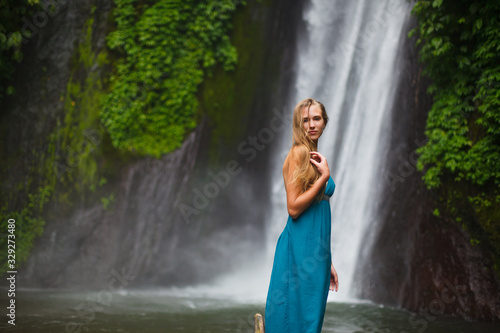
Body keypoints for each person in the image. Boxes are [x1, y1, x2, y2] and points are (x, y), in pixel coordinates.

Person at [265, 98, 339, 333]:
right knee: (295, 320)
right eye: (305, 120)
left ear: (325, 121)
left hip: (315, 254)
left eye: (316, 118)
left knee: (310, 322)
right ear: (298, 124)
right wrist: (324, 179)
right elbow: (294, 208)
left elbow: (317, 211)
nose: (311, 125)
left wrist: (327, 259)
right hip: (297, 251)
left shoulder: (315, 155)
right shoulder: (299, 153)